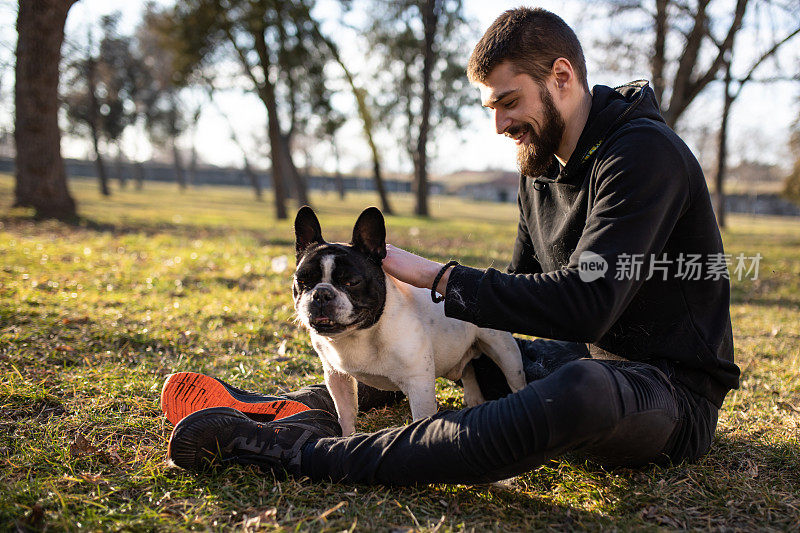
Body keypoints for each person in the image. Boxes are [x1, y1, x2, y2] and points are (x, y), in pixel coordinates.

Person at [164, 7, 739, 485]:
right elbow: (515, 296)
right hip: (586, 359)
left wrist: (440, 277)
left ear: (561, 77)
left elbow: (586, 304)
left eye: (510, 102)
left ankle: (301, 455)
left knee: (577, 392)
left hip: (669, 395)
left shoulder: (642, 155)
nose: (499, 125)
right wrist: (419, 308)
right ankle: (293, 409)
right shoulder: (540, 168)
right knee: (451, 360)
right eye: (491, 108)